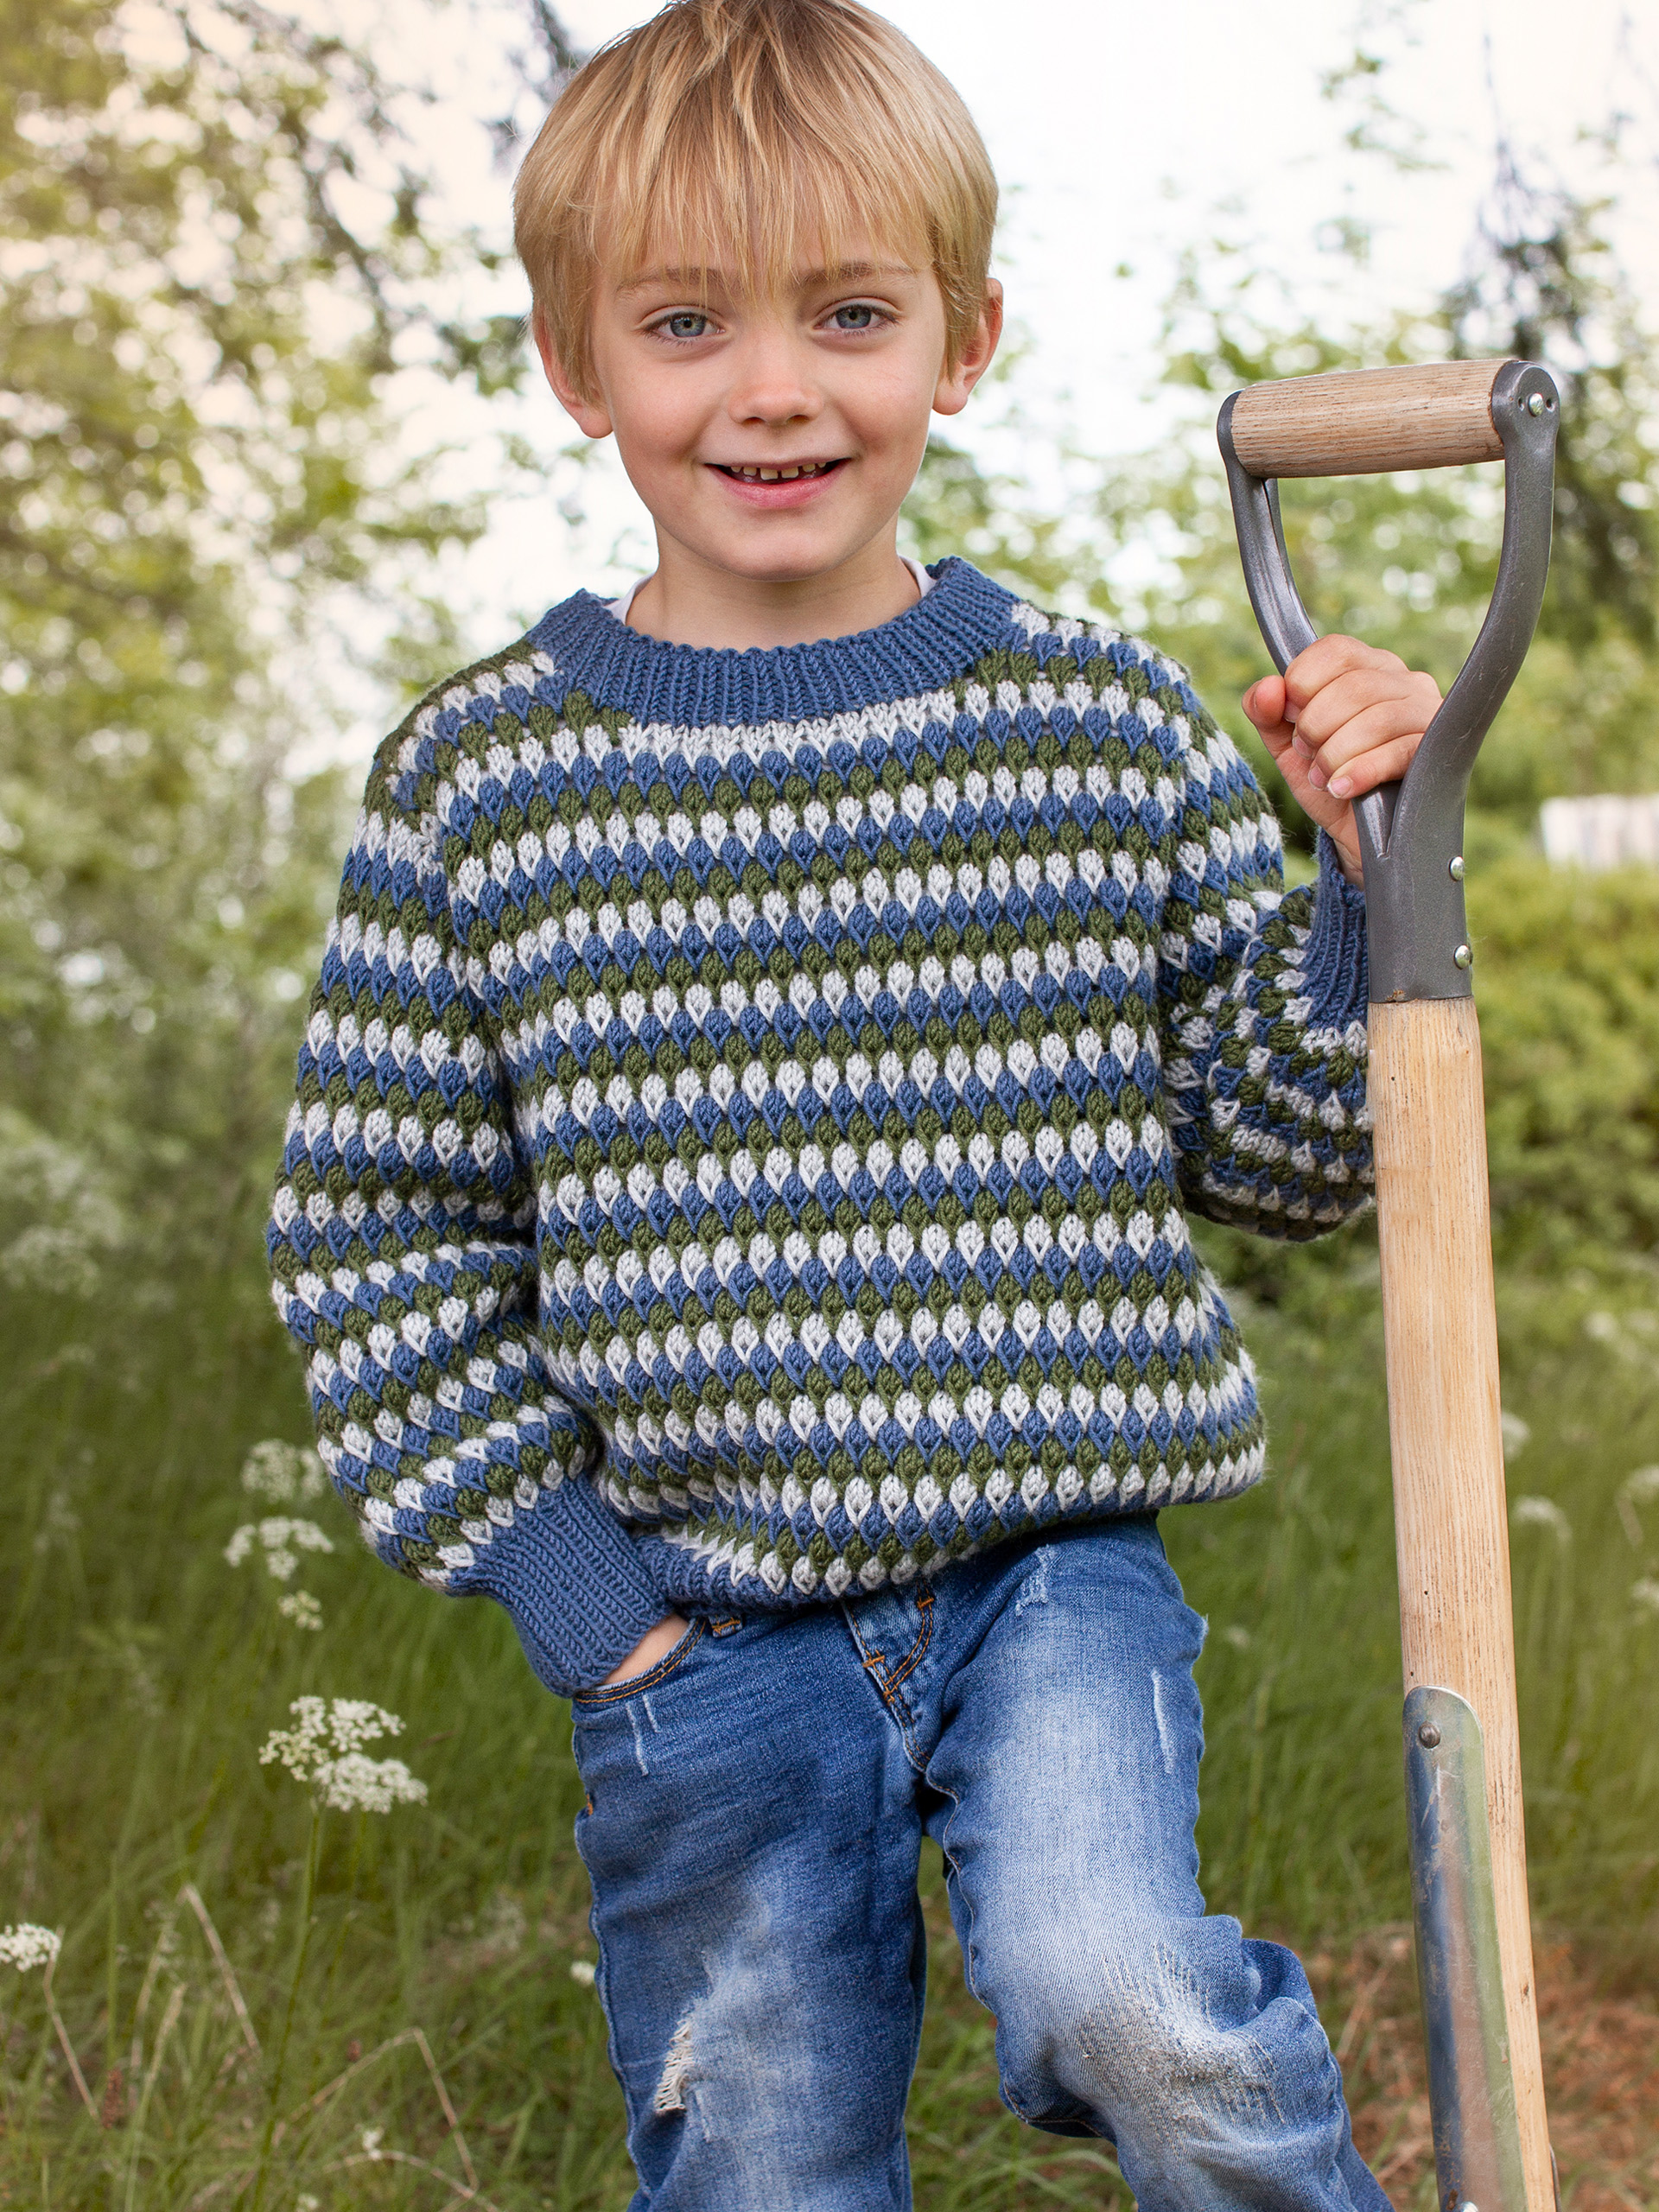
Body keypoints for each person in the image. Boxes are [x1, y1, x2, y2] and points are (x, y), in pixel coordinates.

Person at [267, 3, 1443, 2202]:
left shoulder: (1093, 726)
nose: (775, 385)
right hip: (698, 1616)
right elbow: (380, 1231)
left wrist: (1370, 876)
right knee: (765, 2155)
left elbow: (1284, 1150)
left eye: (853, 311)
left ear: (965, 340)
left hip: (1049, 1571)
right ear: (575, 363)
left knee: (1131, 2001)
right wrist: (578, 1586)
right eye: (688, 321)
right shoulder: (488, 780)